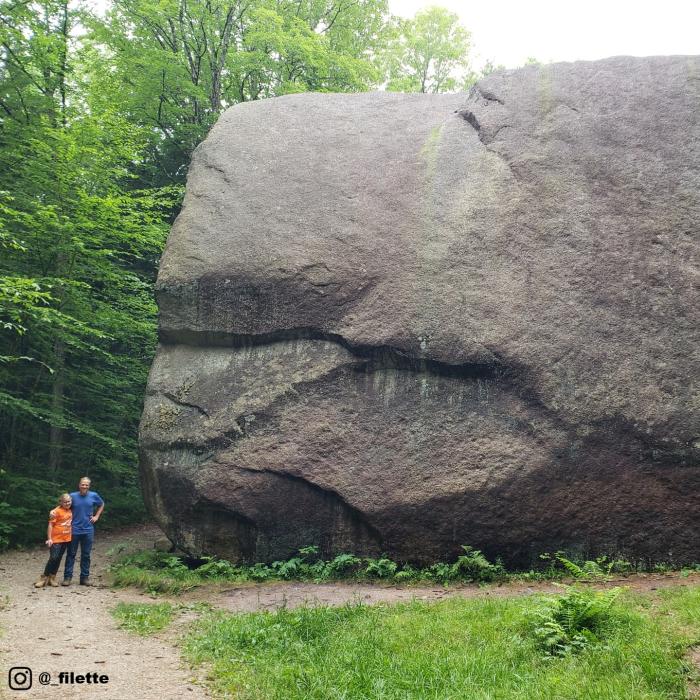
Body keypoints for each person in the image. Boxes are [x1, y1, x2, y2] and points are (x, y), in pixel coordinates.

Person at [62, 476, 104, 587]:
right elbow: (64, 506)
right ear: (79, 485)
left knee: (86, 555)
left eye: (86, 484)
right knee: (71, 554)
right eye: (82, 484)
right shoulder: (72, 496)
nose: (84, 486)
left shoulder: (94, 495)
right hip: (74, 529)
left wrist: (97, 516)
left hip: (88, 530)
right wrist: (53, 512)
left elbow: (101, 504)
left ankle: (84, 578)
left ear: (89, 486)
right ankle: (67, 577)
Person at [34, 493, 73, 588]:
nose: (67, 503)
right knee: (53, 558)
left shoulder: (71, 510)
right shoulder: (56, 512)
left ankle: (52, 578)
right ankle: (43, 578)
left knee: (58, 558)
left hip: (66, 539)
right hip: (56, 539)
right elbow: (50, 525)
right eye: (65, 502)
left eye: (69, 501)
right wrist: (49, 538)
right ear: (61, 502)